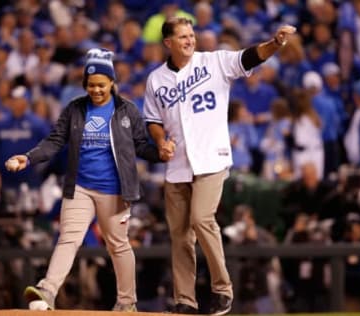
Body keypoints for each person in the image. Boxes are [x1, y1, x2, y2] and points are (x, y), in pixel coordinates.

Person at [143, 16, 296, 315]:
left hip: (211, 158)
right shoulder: (156, 79)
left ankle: (222, 289)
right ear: (168, 43)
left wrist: (275, 43)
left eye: (191, 35)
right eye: (183, 36)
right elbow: (152, 120)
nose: (189, 40)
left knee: (201, 219)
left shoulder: (213, 63)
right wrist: (160, 142)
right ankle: (185, 300)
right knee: (180, 237)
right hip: (177, 165)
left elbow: (250, 56)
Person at [4, 47, 175, 311]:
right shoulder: (75, 109)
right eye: (91, 85)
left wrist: (160, 154)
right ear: (85, 84)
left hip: (115, 190)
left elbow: (141, 145)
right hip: (80, 188)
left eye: (101, 85)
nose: (96, 90)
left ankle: (127, 303)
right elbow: (55, 141)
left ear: (112, 83)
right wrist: (28, 157)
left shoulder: (127, 110)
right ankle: (47, 291)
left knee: (118, 245)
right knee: (68, 238)